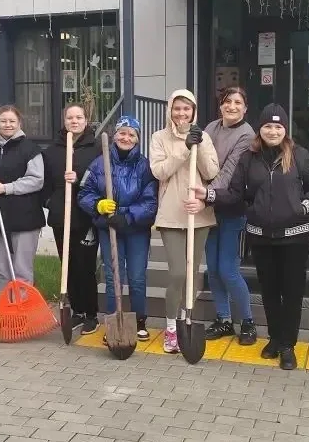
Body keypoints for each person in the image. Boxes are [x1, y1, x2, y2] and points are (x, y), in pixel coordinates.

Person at [195, 104, 309, 370]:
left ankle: (288, 345)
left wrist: (304, 207)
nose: (273, 131)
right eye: (267, 126)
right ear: (260, 129)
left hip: (295, 237)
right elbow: (235, 193)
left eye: (278, 126)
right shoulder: (249, 158)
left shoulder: (299, 155)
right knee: (270, 292)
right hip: (261, 236)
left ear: (285, 129)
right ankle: (274, 338)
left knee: (292, 293)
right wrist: (209, 195)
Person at [149, 89, 220, 354]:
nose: (181, 113)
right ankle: (170, 327)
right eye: (177, 108)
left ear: (194, 111)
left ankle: (184, 321)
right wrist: (184, 149)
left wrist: (198, 147)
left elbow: (211, 171)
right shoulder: (159, 138)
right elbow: (159, 171)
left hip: (198, 214)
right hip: (171, 214)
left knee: (192, 274)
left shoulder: (205, 137)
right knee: (178, 272)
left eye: (186, 108)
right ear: (170, 110)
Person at [79, 116, 157, 339]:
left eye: (131, 134)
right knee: (113, 278)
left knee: (137, 277)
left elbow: (151, 201)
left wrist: (127, 216)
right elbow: (84, 193)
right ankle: (113, 323)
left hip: (136, 230)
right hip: (108, 228)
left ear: (137, 139)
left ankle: (139, 321)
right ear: (114, 136)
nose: (126, 138)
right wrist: (98, 205)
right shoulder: (99, 164)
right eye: (122, 133)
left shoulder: (145, 166)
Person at [42, 103, 103, 333]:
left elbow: (102, 180)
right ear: (64, 120)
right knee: (67, 265)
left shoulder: (96, 148)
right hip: (61, 216)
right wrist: (50, 202)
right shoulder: (52, 151)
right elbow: (44, 184)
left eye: (79, 117)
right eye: (70, 118)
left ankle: (91, 314)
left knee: (85, 266)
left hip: (86, 217)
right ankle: (76, 310)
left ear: (86, 120)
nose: (74, 121)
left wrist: (79, 180)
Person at [203, 87, 257, 345]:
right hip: (208, 209)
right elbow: (201, 162)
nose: (232, 106)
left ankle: (247, 321)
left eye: (237, 102)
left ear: (245, 108)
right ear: (220, 105)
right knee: (213, 269)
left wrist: (204, 194)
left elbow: (228, 173)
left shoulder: (247, 135)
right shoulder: (210, 128)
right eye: (227, 101)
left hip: (233, 210)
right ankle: (224, 319)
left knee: (228, 269)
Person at [0, 105, 45, 294]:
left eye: (12, 121)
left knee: (22, 272)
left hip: (25, 220)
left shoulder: (30, 149)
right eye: (3, 121)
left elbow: (36, 180)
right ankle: (7, 310)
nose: (8, 124)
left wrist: (6, 188)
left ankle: (22, 310)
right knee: (2, 273)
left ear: (19, 123)